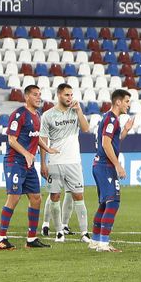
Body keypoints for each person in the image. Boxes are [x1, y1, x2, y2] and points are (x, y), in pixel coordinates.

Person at [0, 84, 49, 250]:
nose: (39, 97)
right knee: (14, 197)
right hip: (15, 162)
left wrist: (47, 149)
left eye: (40, 94)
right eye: (35, 94)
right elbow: (12, 139)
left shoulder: (37, 115)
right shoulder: (19, 114)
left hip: (28, 163)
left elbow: (35, 137)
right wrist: (26, 153)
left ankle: (31, 239)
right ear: (27, 97)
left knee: (36, 198)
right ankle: (1, 239)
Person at [39, 83, 92, 242]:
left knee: (78, 196)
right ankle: (59, 232)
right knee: (54, 196)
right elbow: (43, 140)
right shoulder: (48, 115)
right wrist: (43, 163)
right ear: (59, 95)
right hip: (55, 162)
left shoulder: (75, 112)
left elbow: (86, 129)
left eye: (71, 95)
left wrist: (80, 112)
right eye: (66, 95)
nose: (70, 98)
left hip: (74, 162)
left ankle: (84, 233)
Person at [90, 88, 131, 252]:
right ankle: (103, 243)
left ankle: (95, 240)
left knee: (104, 203)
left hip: (100, 165)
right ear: (118, 102)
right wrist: (117, 165)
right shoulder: (111, 119)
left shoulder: (110, 119)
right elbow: (106, 144)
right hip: (105, 166)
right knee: (113, 202)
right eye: (127, 101)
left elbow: (113, 140)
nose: (128, 105)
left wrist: (126, 130)